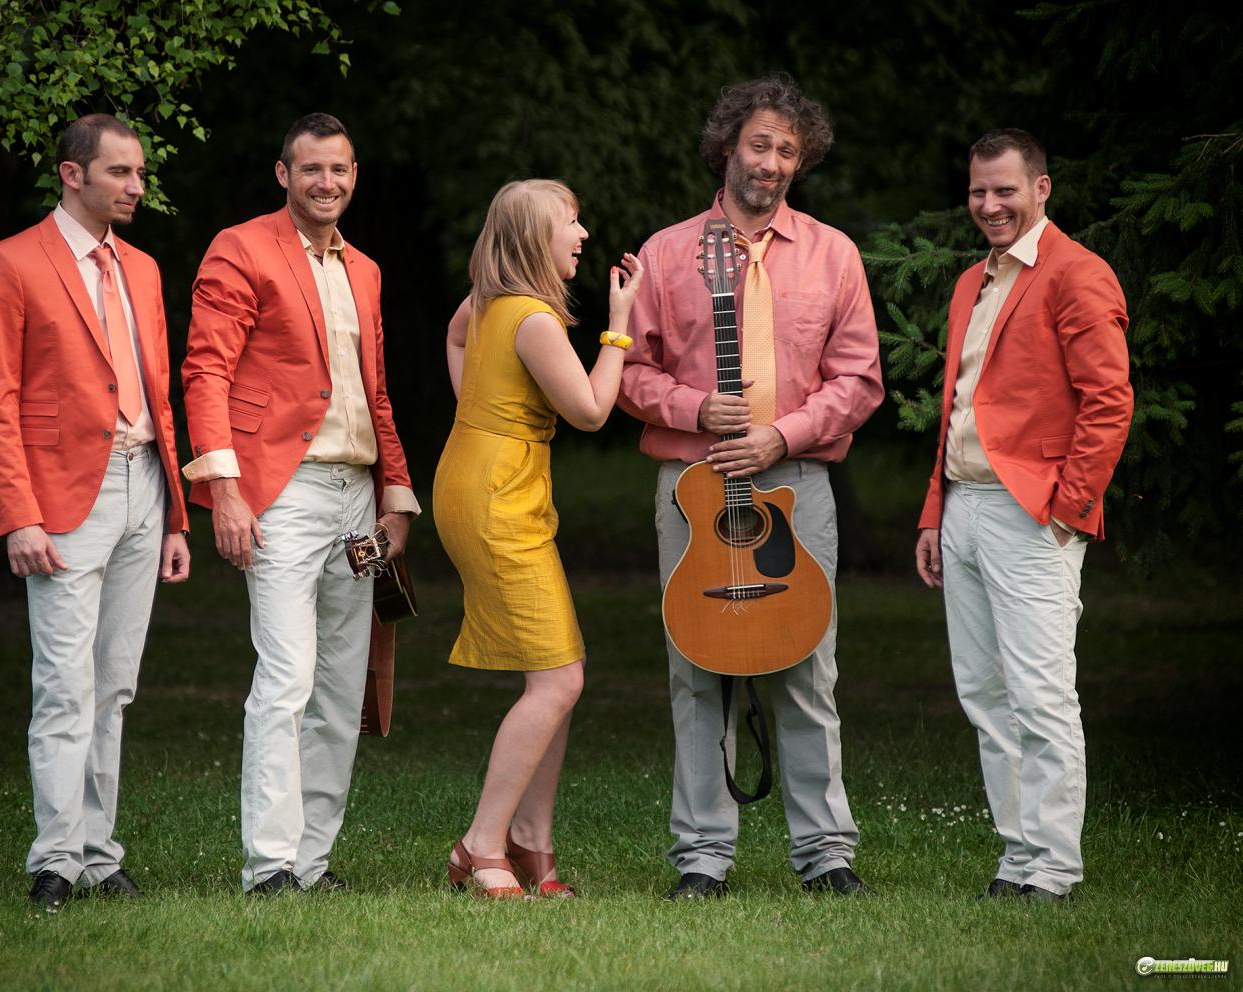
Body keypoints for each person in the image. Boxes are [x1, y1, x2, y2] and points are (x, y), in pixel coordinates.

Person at [618, 75, 883, 900]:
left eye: (787, 151)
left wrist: (783, 433)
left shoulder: (835, 255)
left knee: (808, 665)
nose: (771, 162)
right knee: (696, 669)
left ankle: (826, 854)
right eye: (759, 144)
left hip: (796, 481)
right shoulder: (667, 253)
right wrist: (695, 408)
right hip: (694, 487)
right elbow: (627, 371)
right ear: (728, 145)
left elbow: (859, 379)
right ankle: (702, 857)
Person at [180, 112, 418, 895]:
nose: (326, 183)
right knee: (286, 677)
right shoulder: (241, 248)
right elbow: (206, 373)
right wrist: (225, 491)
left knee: (343, 689)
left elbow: (376, 393)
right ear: (283, 174)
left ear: (355, 176)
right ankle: (269, 866)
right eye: (311, 169)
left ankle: (310, 864)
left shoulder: (366, 270)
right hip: (280, 491)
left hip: (357, 497)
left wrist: (396, 497)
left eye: (339, 169)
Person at [0, 114, 191, 912]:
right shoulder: (12, 262)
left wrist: (176, 517)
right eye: (121, 173)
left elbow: (159, 394)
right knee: (65, 685)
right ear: (72, 174)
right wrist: (17, 514)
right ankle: (55, 860)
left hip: (144, 486)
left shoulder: (143, 268)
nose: (137, 187)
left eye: (140, 174)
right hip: (60, 498)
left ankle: (99, 855)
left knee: (114, 686)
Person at [914, 128, 1132, 903]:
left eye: (1005, 190)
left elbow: (1108, 402)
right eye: (978, 191)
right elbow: (957, 408)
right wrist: (934, 512)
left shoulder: (1078, 273)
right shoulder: (972, 282)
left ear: (1041, 188)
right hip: (964, 506)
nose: (989, 204)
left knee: (1041, 696)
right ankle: (1018, 861)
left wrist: (1069, 509)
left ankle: (1056, 868)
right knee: (985, 695)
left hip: (1032, 514)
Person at [433, 179, 643, 898]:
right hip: (497, 497)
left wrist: (478, 411)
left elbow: (454, 336)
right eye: (570, 223)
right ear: (532, 238)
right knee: (560, 679)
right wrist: (619, 326)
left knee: (557, 669)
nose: (582, 235)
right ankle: (482, 845)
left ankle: (531, 841)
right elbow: (590, 410)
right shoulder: (533, 318)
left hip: (485, 479)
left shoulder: (488, 302)